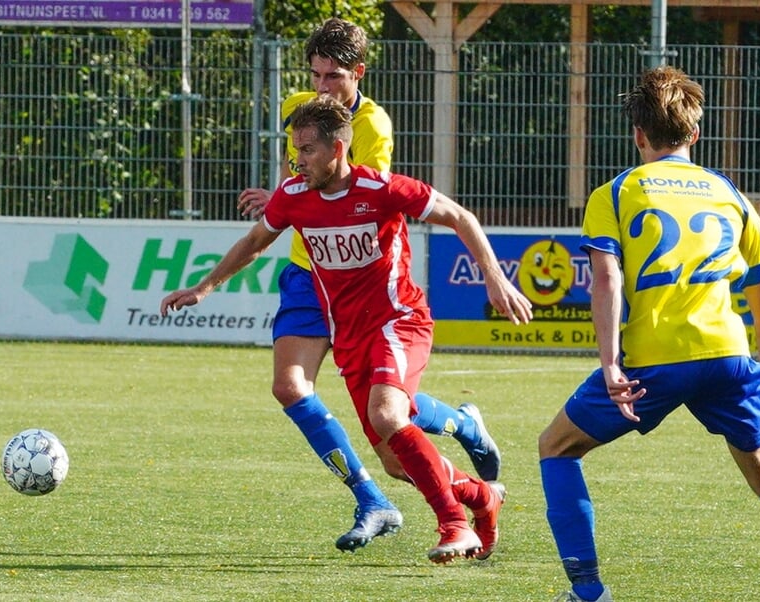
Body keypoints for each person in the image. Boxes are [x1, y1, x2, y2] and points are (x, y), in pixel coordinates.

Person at [161, 95, 533, 562]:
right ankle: (482, 498)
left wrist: (495, 279)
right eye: (295, 149)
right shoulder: (294, 197)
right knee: (398, 463)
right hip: (351, 339)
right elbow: (255, 241)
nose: (298, 160)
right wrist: (204, 287)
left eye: (308, 150)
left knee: (388, 416)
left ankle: (454, 524)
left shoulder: (382, 189)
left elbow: (461, 217)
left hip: (399, 322)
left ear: (339, 149)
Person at [236, 16, 503, 553]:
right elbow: (305, 177)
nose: (321, 87)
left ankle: (458, 427)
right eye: (314, 75)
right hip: (306, 274)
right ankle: (371, 499)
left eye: (332, 77)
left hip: (365, 286)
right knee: (290, 388)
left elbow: (357, 197)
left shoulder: (373, 126)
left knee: (389, 417)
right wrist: (280, 197)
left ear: (357, 73)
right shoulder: (299, 109)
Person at [538, 65, 760, 601]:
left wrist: (611, 362)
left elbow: (606, 279)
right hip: (726, 356)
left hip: (654, 358)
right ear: (694, 134)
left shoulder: (616, 192)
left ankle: (588, 593)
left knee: (556, 447)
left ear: (637, 134)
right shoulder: (730, 194)